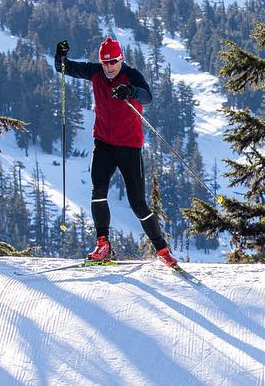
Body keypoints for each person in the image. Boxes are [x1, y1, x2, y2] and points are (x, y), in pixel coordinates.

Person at [54, 36, 177, 266]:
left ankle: (162, 250)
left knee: (138, 202)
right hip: (103, 144)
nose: (109, 67)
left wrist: (129, 91)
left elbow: (147, 96)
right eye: (105, 62)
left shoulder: (132, 75)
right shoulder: (96, 72)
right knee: (98, 191)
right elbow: (64, 68)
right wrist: (60, 55)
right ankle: (103, 244)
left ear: (121, 59)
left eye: (113, 62)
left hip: (129, 146)